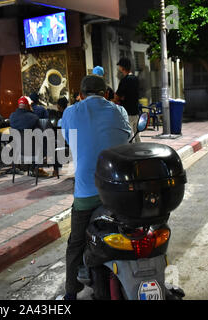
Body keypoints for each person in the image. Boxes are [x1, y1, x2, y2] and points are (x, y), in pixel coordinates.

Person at [58, 75, 131, 300]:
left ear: (80, 95)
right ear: (107, 93)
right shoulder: (120, 111)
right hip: (118, 192)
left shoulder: (70, 112)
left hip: (87, 193)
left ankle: (71, 293)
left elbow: (69, 140)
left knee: (76, 243)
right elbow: (127, 138)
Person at [114, 57, 141, 143]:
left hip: (127, 112)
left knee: (129, 136)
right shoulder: (135, 79)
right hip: (136, 111)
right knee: (137, 135)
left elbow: (117, 97)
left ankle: (131, 153)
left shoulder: (124, 80)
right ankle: (139, 151)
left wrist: (120, 98)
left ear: (122, 68)